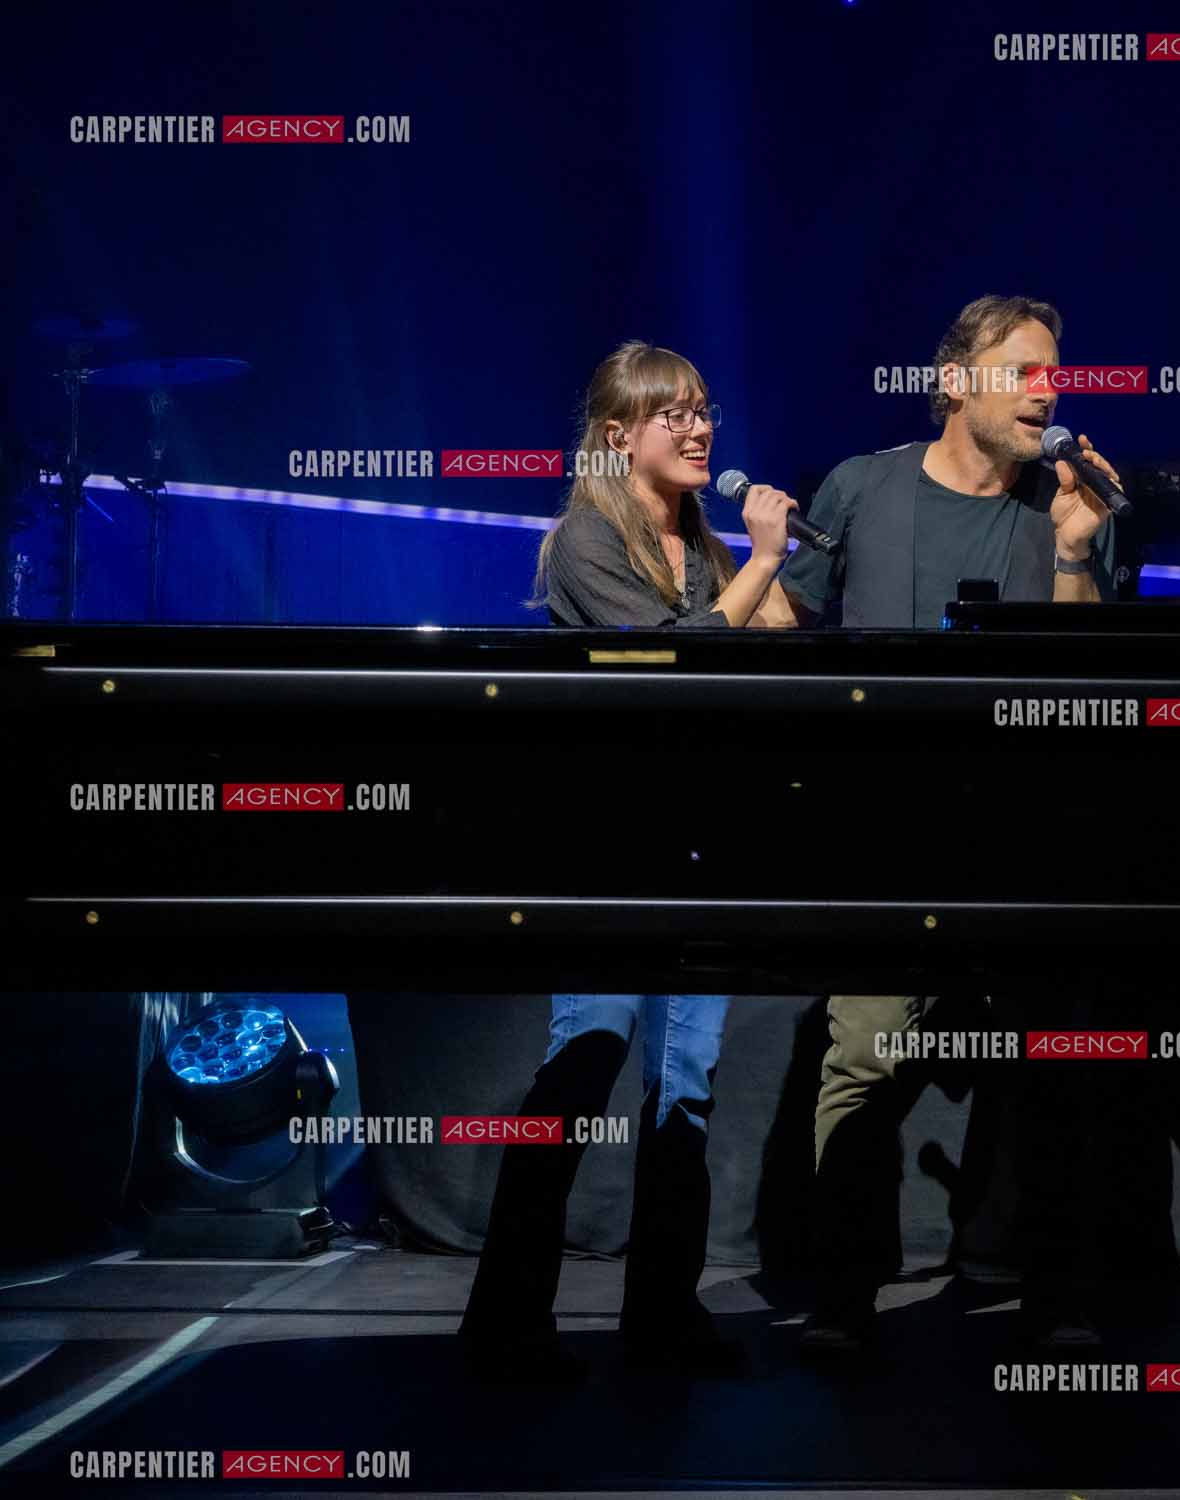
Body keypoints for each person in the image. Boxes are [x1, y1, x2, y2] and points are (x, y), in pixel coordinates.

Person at [752, 294, 1123, 1350]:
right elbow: (795, 619)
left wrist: (1071, 548)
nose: (1047, 389)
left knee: (1051, 1067)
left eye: (1055, 371)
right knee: (862, 1059)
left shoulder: (1067, 505)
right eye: (1024, 369)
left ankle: (1054, 1306)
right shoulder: (863, 488)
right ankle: (842, 1298)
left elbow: (1089, 681)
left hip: (1029, 842)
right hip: (886, 838)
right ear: (955, 381)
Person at [459, 341, 797, 1382]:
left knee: (685, 1083)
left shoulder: (700, 541)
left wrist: (760, 558)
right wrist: (766, 563)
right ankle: (508, 1311)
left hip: (701, 844)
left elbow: (775, 645)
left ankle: (664, 1310)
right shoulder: (583, 545)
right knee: (588, 1055)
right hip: (606, 848)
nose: (701, 430)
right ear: (618, 437)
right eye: (674, 416)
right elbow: (680, 658)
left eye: (705, 411)